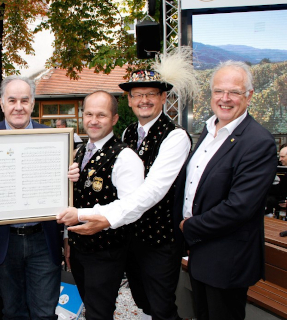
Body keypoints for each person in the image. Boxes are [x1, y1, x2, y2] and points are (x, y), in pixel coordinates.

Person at [58, 48, 198, 320]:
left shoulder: (175, 136)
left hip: (159, 239)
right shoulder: (128, 132)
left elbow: (153, 190)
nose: (144, 100)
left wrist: (97, 216)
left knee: (161, 307)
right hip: (129, 237)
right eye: (137, 95)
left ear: (163, 97)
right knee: (143, 302)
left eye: (150, 94)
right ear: (129, 100)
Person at [175, 60, 278, 320]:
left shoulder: (259, 142)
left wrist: (189, 228)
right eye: (218, 91)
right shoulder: (208, 131)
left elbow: (239, 207)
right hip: (199, 254)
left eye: (234, 92)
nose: (225, 98)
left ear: (249, 95)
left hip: (227, 261)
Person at [0, 75, 62, 320]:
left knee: (44, 314)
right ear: (1, 103)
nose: (19, 106)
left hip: (43, 241)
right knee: (12, 312)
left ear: (33, 103)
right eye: (12, 100)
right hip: (4, 241)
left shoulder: (54, 139)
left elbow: (64, 192)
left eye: (24, 100)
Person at [58, 90, 144, 319]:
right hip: (78, 249)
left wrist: (81, 217)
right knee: (90, 307)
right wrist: (68, 238)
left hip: (106, 252)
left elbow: (131, 208)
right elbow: (73, 198)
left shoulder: (125, 157)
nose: (93, 121)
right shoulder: (80, 151)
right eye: (88, 114)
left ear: (114, 119)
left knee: (99, 312)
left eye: (101, 115)